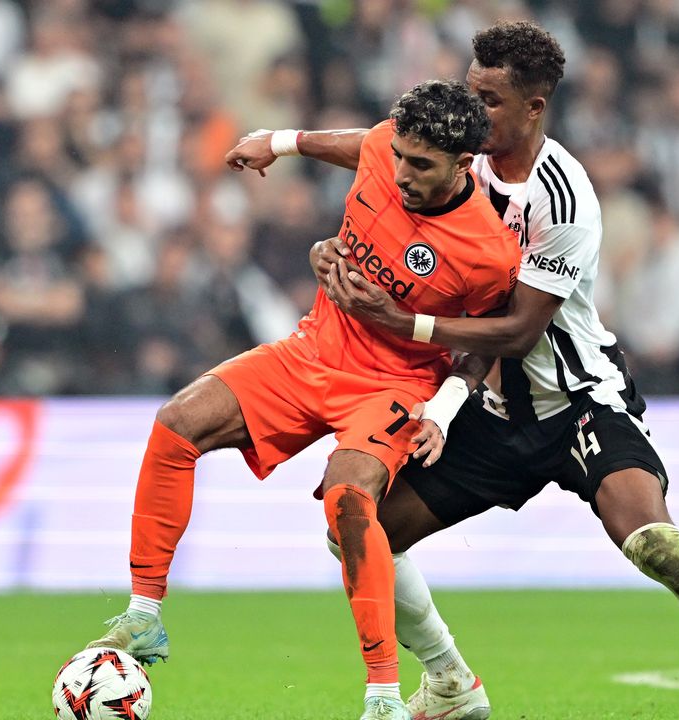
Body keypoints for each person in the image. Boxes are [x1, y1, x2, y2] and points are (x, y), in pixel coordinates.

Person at [226, 20, 679, 720]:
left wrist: (401, 322)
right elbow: (377, 146)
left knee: (651, 541)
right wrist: (283, 142)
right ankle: (450, 682)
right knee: (357, 531)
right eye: (471, 91)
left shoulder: (562, 199)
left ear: (534, 108)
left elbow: (518, 330)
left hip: (577, 402)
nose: (472, 112)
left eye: (490, 101)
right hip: (493, 410)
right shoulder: (461, 159)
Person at [90, 79, 522, 720]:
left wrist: (444, 407)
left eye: (420, 165)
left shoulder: (487, 252)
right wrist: (278, 142)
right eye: (399, 155)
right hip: (313, 350)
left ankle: (383, 696)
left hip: (395, 383)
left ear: (464, 165)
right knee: (177, 423)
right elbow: (356, 144)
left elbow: (484, 344)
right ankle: (144, 614)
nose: (401, 172)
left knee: (348, 500)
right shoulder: (385, 148)